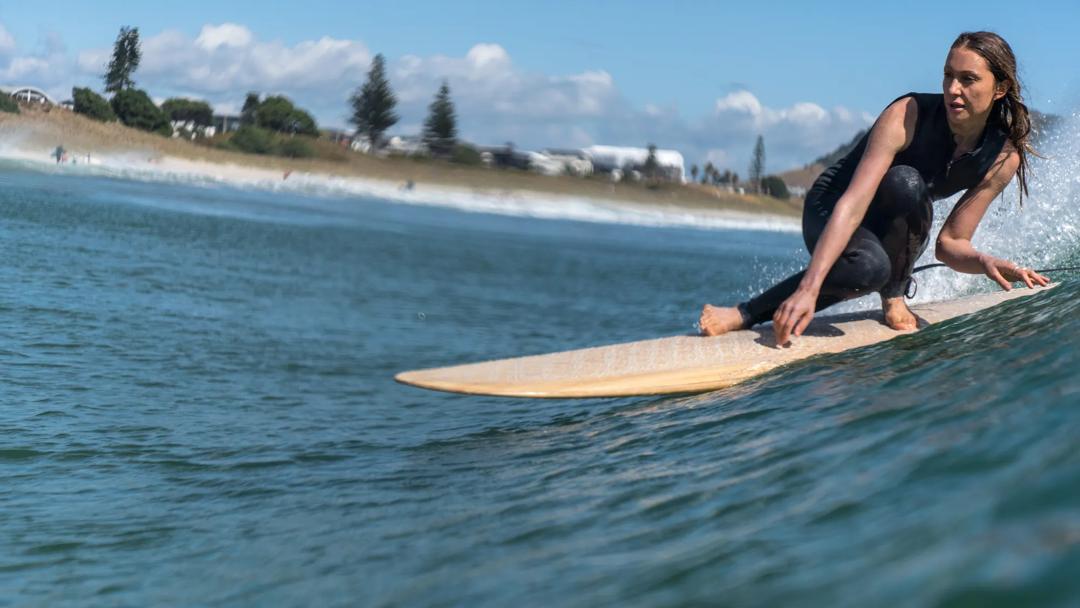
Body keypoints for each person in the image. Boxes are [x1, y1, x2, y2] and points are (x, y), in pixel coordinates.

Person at [699, 31, 1050, 345]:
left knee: (895, 220)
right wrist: (809, 287)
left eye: (968, 79)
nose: (953, 89)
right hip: (832, 206)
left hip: (887, 225)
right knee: (881, 240)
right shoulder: (907, 114)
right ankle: (744, 313)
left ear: (999, 88)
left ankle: (892, 290)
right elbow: (851, 204)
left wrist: (984, 261)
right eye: (948, 76)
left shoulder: (1003, 158)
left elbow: (950, 245)